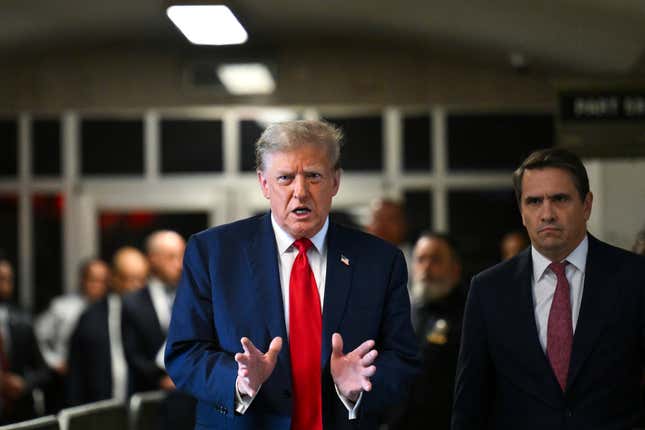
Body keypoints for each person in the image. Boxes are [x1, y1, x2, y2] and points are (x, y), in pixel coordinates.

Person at [165, 120, 419, 430]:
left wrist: (358, 388)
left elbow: (402, 358)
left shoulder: (380, 260)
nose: (300, 192)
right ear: (264, 184)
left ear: (335, 181)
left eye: (313, 176)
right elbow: (184, 352)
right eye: (285, 178)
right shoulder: (212, 252)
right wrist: (238, 380)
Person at [452, 148, 645, 430]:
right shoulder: (488, 290)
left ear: (587, 205)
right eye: (534, 201)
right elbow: (470, 402)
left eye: (560, 199)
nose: (547, 213)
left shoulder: (634, 277)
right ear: (521, 212)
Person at [390, 233, 465, 430]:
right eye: (421, 259)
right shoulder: (400, 311)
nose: (426, 268)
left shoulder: (469, 315)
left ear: (455, 269)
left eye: (436, 260)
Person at [66, 246, 148, 405]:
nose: (137, 286)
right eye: (130, 279)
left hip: (141, 407)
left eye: (142, 279)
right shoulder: (91, 317)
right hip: (100, 406)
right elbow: (77, 373)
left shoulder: (149, 316)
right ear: (114, 279)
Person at [35, 258, 109, 413]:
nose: (97, 286)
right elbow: (37, 336)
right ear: (82, 279)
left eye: (102, 281)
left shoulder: (110, 311)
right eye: (93, 280)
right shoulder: (61, 307)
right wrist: (54, 361)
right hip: (63, 378)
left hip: (96, 379)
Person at [0, 258, 50, 424]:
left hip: (16, 413)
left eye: (8, 279)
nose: (4, 284)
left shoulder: (23, 321)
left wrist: (24, 384)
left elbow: (43, 371)